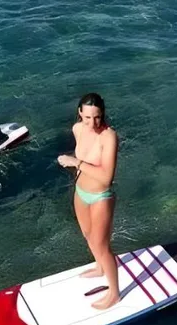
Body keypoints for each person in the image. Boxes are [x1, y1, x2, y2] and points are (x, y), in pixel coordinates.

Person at [57, 93, 120, 310]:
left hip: (101, 196)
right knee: (87, 236)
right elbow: (83, 159)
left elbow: (106, 177)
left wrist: (75, 162)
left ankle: (114, 293)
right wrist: (75, 165)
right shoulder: (77, 129)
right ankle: (100, 269)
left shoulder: (109, 137)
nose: (92, 123)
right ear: (80, 114)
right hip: (81, 192)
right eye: (87, 118)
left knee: (100, 245)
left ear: (103, 114)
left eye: (97, 117)